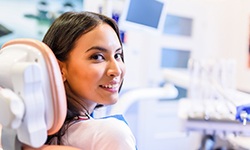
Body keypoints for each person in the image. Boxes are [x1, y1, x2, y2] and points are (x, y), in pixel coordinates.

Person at [42, 11, 137, 149]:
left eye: (117, 55)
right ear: (59, 68)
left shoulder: (36, 136)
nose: (116, 70)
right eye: (97, 57)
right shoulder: (110, 134)